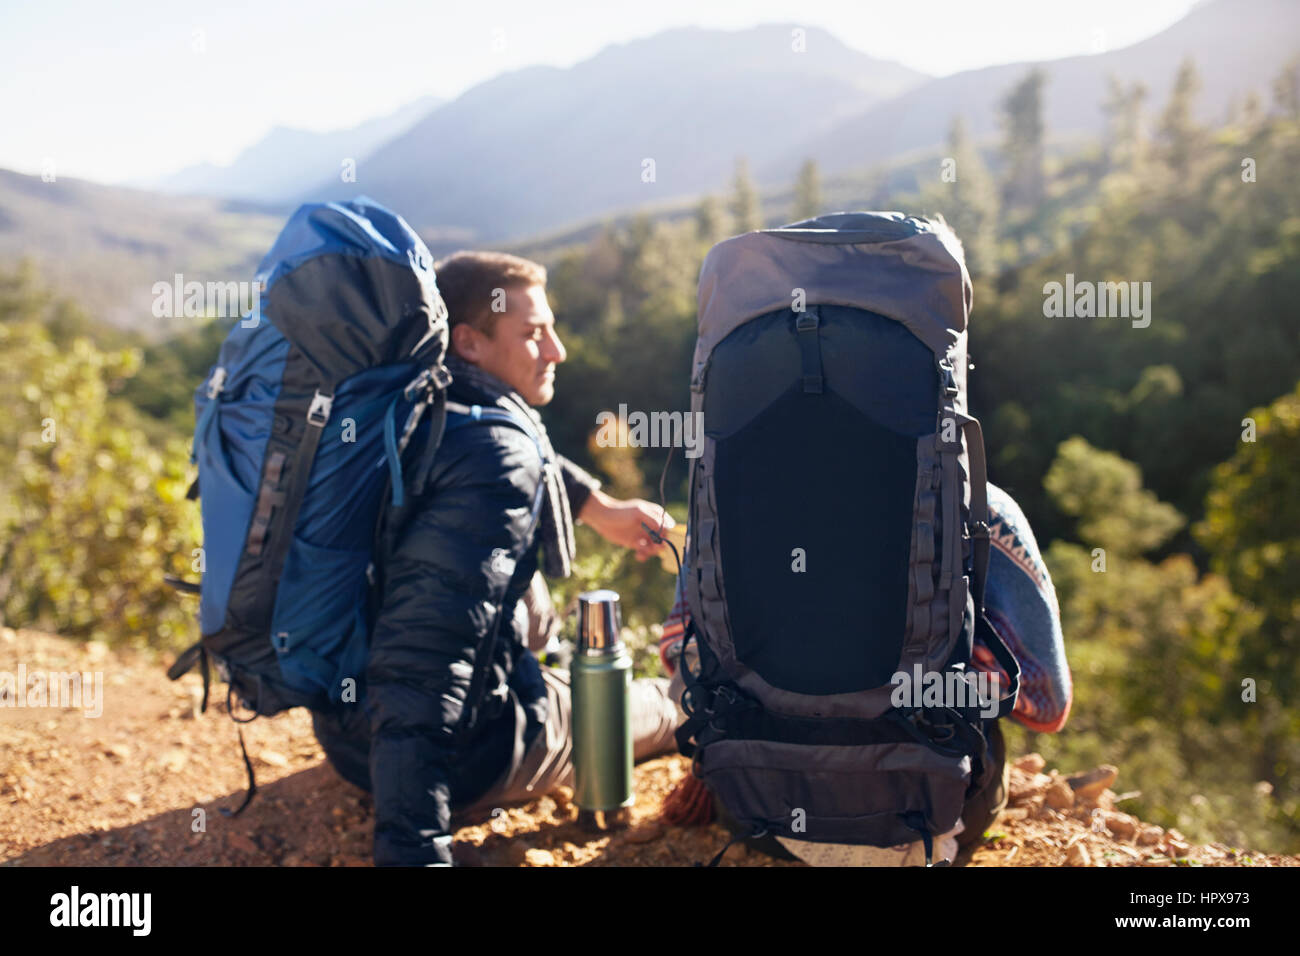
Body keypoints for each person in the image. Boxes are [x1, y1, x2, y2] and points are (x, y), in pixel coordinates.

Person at [310, 250, 681, 866]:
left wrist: (597, 506)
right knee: (660, 706)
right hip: (465, 758)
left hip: (346, 733)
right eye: (534, 334)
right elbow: (421, 673)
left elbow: (512, 462)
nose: (557, 350)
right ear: (472, 343)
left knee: (519, 597)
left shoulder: (417, 408)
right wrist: (414, 849)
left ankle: (547, 678)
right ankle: (672, 698)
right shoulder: (497, 458)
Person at [657, 481, 1072, 866]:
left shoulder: (721, 495)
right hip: (939, 811)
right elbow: (1046, 704)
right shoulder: (983, 509)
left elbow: (682, 654)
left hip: (754, 808)